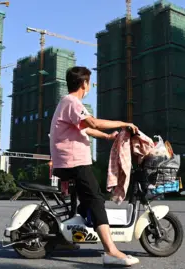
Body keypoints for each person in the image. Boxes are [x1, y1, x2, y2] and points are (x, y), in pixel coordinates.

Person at [50, 66, 140, 266]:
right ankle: (111, 251)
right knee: (96, 200)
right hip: (73, 162)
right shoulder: (72, 102)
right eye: (89, 82)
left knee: (86, 201)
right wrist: (123, 124)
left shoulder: (68, 104)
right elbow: (94, 123)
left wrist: (108, 136)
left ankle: (64, 238)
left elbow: (86, 129)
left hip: (69, 161)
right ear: (84, 84)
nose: (89, 85)